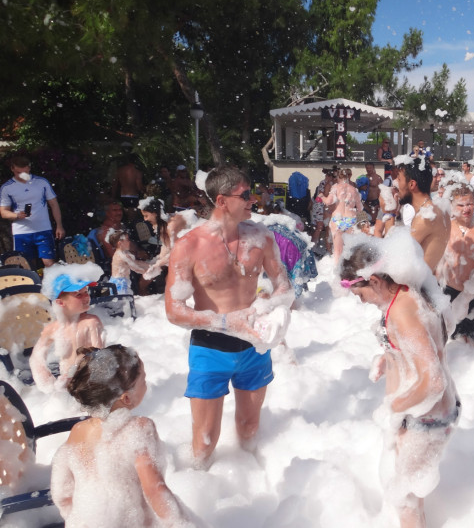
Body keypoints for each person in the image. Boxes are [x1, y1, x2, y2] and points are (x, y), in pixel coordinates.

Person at [165, 165, 292, 469]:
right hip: (211, 348)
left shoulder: (261, 237)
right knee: (205, 440)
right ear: (221, 201)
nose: (254, 200)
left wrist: (268, 307)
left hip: (253, 345)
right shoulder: (189, 245)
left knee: (249, 428)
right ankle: (200, 485)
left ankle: (253, 478)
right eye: (245, 195)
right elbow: (173, 310)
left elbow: (284, 286)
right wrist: (224, 322)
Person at [340, 241, 459, 528]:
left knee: (405, 499)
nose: (361, 301)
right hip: (425, 416)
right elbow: (426, 344)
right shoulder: (409, 292)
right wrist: (389, 357)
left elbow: (433, 382)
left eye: (360, 294)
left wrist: (392, 408)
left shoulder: (402, 312)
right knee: (409, 494)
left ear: (375, 280)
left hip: (424, 419)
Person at [51, 345, 195, 527]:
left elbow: (62, 495)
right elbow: (154, 490)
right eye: (144, 380)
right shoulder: (139, 428)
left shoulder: (77, 431)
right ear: (126, 398)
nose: (146, 384)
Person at [30, 268, 105, 393]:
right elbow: (36, 358)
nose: (86, 296)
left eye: (86, 292)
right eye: (78, 294)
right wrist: (49, 384)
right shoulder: (52, 328)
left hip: (91, 384)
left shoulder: (91, 322)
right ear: (60, 303)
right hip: (67, 387)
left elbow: (100, 358)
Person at [436, 185, 474, 346]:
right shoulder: (445, 228)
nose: (466, 209)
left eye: (469, 204)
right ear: (452, 206)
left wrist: (466, 298)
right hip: (451, 292)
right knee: (452, 344)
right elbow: (439, 262)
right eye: (461, 205)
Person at [0, 155, 65, 268]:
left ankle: (55, 279)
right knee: (27, 265)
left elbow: (54, 204)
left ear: (29, 168)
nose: (22, 175)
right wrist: (16, 215)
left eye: (25, 172)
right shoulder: (7, 188)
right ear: (12, 169)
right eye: (19, 173)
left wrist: (59, 225)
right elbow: (3, 212)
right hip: (21, 232)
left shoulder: (41, 182)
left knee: (49, 262)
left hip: (43, 229)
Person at [393, 156, 451, 273]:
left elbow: (396, 260)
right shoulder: (439, 210)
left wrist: (388, 214)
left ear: (412, 184)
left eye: (399, 179)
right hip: (428, 280)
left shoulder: (425, 218)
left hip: (419, 282)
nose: (395, 184)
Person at [318, 167, 364, 263]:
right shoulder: (354, 189)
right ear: (347, 177)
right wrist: (363, 222)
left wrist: (322, 196)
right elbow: (360, 208)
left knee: (337, 251)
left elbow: (329, 202)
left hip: (338, 219)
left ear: (338, 177)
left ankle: (337, 269)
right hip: (350, 219)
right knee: (349, 249)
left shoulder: (335, 187)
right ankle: (348, 268)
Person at [109, 231, 152, 295]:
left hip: (119, 281)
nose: (129, 242)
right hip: (119, 283)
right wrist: (147, 272)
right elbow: (135, 268)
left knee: (125, 298)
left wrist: (150, 265)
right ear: (120, 243)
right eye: (127, 240)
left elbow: (136, 262)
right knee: (124, 299)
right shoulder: (122, 255)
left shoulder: (125, 253)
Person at [112, 156, 145, 224]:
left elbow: (115, 184)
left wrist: (113, 196)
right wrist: (144, 190)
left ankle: (125, 227)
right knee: (132, 217)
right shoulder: (137, 172)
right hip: (133, 196)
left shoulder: (120, 170)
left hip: (123, 195)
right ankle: (131, 227)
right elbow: (139, 187)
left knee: (124, 216)